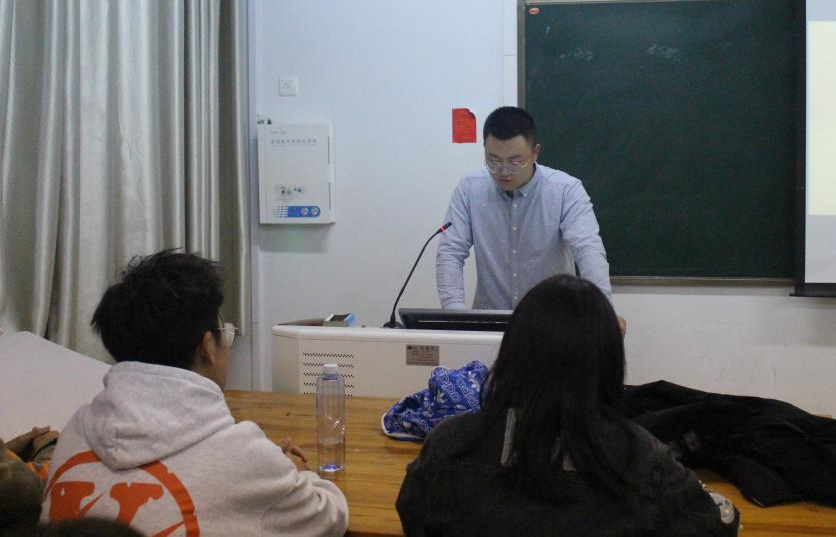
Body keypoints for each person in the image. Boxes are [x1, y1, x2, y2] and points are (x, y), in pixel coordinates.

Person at [396, 274, 740, 536]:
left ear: (514, 353)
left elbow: (413, 516)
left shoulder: (451, 446)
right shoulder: (641, 457)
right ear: (607, 364)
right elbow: (717, 526)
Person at [40, 250, 348, 536]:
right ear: (207, 347)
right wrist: (293, 475)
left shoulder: (76, 431)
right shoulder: (245, 457)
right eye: (225, 333)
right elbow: (328, 516)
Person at [436, 106, 612, 310]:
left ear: (535, 152)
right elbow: (450, 252)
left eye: (515, 162)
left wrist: (604, 311)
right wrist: (454, 313)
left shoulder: (565, 191)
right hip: (491, 318)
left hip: (553, 318)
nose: (503, 172)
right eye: (493, 161)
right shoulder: (470, 189)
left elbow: (588, 250)